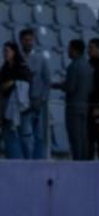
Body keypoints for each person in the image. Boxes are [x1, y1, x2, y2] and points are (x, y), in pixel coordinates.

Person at [17, 29, 50, 159]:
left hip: (38, 103)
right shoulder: (16, 58)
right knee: (24, 135)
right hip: (21, 103)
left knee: (39, 135)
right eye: (26, 40)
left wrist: (43, 99)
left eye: (30, 40)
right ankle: (25, 160)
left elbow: (47, 80)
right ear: (21, 41)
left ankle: (39, 162)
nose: (28, 43)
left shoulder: (40, 59)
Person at [0, 42, 30, 159]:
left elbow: (26, 82)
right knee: (8, 134)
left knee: (24, 135)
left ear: (14, 52)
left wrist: (13, 83)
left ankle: (27, 161)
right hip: (6, 104)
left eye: (7, 51)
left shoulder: (21, 67)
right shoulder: (4, 68)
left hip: (20, 105)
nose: (5, 53)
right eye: (4, 51)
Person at [61, 39, 90, 161]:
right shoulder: (87, 66)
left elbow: (70, 87)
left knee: (75, 138)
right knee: (83, 138)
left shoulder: (73, 66)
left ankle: (78, 163)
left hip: (73, 106)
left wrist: (61, 85)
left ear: (75, 50)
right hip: (85, 105)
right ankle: (83, 162)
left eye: (69, 48)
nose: (68, 51)